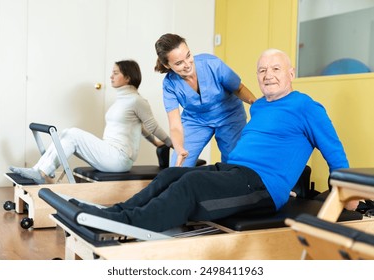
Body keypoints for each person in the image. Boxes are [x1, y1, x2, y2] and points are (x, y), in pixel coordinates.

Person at [71, 49, 357, 233]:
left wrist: (349, 199)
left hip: (262, 185)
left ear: (291, 73)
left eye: (276, 69)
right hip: (234, 171)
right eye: (262, 70)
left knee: (191, 185)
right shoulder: (258, 106)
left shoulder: (307, 107)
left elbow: (335, 153)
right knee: (172, 174)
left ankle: (122, 224)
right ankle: (113, 212)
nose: (268, 75)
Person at [10, 60, 172, 184]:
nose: (111, 76)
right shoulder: (122, 101)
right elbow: (141, 128)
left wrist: (171, 143)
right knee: (67, 134)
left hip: (119, 159)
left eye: (115, 73)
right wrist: (157, 144)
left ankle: (43, 173)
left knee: (72, 133)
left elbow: (152, 126)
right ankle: (39, 170)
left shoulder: (137, 101)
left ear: (128, 77)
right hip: (110, 153)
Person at [154, 33, 257, 167]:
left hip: (229, 115)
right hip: (196, 120)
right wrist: (179, 148)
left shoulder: (211, 64)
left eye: (188, 56)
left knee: (233, 163)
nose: (187, 64)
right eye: (179, 63)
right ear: (166, 65)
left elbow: (238, 88)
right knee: (178, 165)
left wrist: (255, 102)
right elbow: (175, 125)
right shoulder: (170, 84)